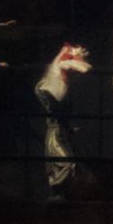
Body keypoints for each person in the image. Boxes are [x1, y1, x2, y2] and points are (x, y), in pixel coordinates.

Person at [34, 42, 91, 196]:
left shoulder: (62, 81)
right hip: (56, 131)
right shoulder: (61, 69)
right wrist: (71, 57)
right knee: (65, 163)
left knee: (65, 162)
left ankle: (61, 190)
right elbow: (84, 68)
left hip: (60, 129)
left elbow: (84, 68)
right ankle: (57, 190)